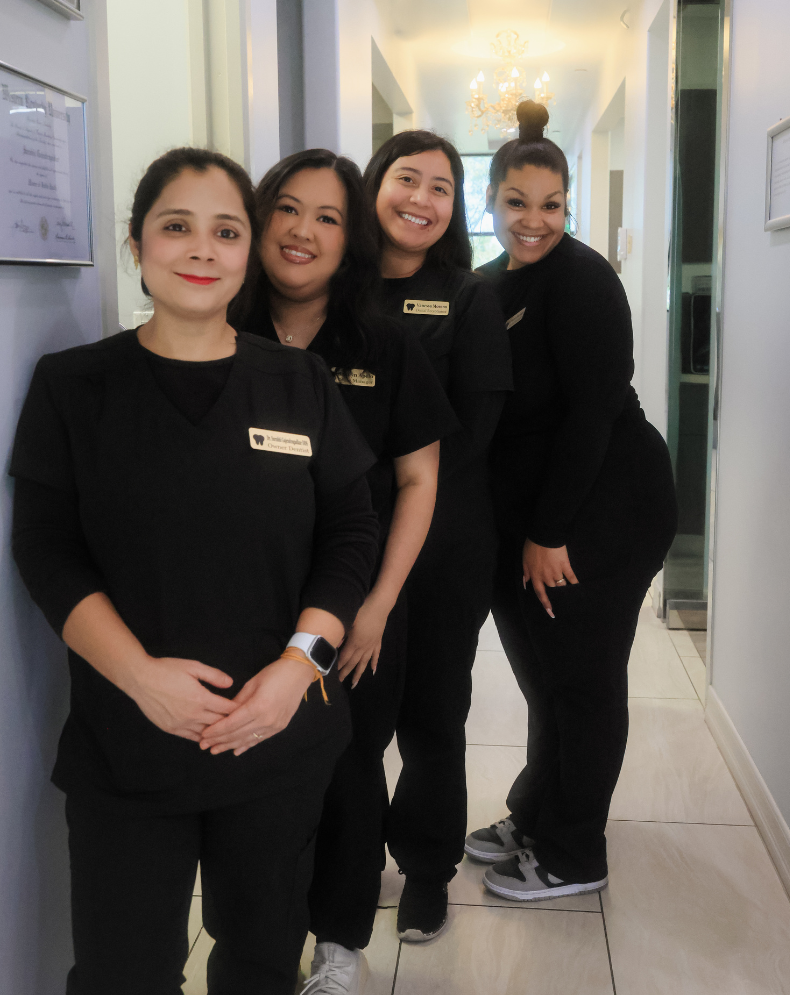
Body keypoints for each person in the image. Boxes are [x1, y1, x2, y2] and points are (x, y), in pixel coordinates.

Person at [10, 147, 380, 995]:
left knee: (258, 962)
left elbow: (351, 532)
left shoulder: (299, 382)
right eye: (176, 226)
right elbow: (46, 548)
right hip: (130, 740)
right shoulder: (75, 387)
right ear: (137, 246)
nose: (201, 248)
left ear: (248, 254)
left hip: (277, 734)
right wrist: (141, 678)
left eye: (226, 231)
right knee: (121, 970)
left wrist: (298, 669)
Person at [242, 148, 458, 992]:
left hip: (359, 605)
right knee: (255, 770)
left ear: (351, 237)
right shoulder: (219, 325)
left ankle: (338, 942)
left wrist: (375, 609)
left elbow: (419, 478)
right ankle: (258, 935)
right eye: (286, 209)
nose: (303, 232)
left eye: (328, 217)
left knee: (348, 768)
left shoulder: (386, 343)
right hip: (248, 598)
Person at [465, 101, 678, 901]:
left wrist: (550, 532)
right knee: (544, 676)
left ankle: (575, 850)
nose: (535, 219)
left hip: (606, 510)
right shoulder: (488, 284)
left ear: (568, 204)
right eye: (518, 202)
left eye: (551, 204)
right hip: (537, 513)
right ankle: (537, 811)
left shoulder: (586, 281)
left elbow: (591, 416)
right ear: (492, 201)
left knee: (583, 680)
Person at [363, 131, 513, 941]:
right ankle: (346, 868)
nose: (421, 198)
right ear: (374, 184)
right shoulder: (333, 285)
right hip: (342, 540)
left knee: (430, 712)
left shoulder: (466, 295)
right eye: (407, 178)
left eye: (442, 188)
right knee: (349, 719)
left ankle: (426, 868)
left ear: (455, 209)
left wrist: (397, 499)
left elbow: (477, 427)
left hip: (443, 538)